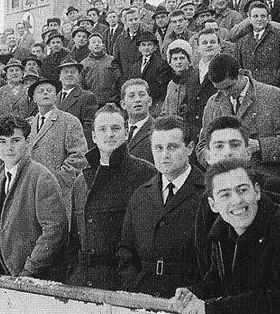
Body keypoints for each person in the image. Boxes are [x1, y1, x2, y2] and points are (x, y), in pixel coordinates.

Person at [170, 158, 280, 314]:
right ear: (213, 205)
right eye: (225, 194)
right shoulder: (220, 231)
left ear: (257, 192)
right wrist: (194, 293)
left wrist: (212, 310)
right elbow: (218, 280)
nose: (236, 200)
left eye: (242, 190)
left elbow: (278, 298)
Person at [194, 115, 280, 276]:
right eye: (219, 146)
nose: (227, 153)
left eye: (235, 145)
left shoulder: (274, 187)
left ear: (248, 153)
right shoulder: (208, 200)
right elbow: (204, 257)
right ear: (208, 156)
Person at [68, 104, 156, 289]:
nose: (109, 134)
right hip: (83, 281)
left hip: (120, 282)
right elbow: (75, 240)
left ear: (126, 133)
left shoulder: (145, 174)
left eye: (116, 128)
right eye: (102, 129)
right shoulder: (81, 181)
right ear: (93, 137)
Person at [117, 115, 205, 298]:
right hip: (145, 296)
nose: (165, 154)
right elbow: (126, 251)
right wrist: (133, 287)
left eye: (172, 147)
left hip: (188, 299)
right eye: (158, 148)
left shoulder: (207, 192)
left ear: (189, 148)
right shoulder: (141, 194)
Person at [197, 53, 280, 180]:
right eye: (219, 89)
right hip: (226, 183)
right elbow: (202, 146)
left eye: (229, 87)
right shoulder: (213, 103)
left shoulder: (274, 97)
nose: (225, 94)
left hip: (268, 185)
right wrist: (213, 155)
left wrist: (260, 146)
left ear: (239, 74)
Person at [0, 114, 68, 281]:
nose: (9, 147)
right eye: (2, 141)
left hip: (35, 277)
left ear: (27, 142)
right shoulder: (3, 175)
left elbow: (55, 230)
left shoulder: (41, 176)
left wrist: (29, 269)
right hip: (14, 274)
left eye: (16, 140)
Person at [27, 78, 87, 214]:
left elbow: (79, 155)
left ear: (56, 96)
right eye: (41, 91)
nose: (45, 94)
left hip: (58, 190)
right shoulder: (28, 124)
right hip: (32, 189)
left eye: (49, 91)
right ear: (34, 98)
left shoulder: (68, 121)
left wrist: (59, 179)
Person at [235, 1, 280, 92]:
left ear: (268, 18)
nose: (259, 19)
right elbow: (239, 68)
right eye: (255, 16)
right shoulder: (242, 42)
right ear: (249, 19)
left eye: (263, 16)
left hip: (275, 89)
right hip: (251, 91)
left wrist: (276, 79)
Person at [55, 58, 98, 149]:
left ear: (78, 76)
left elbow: (89, 129)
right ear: (60, 77)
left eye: (73, 72)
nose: (69, 74)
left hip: (76, 147)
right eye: (66, 72)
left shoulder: (87, 97)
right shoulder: (55, 99)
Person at [128, 30, 172, 116]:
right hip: (138, 103)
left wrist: (142, 96)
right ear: (139, 48)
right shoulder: (136, 65)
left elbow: (159, 87)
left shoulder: (161, 64)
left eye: (149, 45)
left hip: (154, 103)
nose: (146, 48)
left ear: (155, 47)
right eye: (143, 45)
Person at [80, 32, 120, 107]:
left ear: (103, 45)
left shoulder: (112, 61)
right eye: (93, 42)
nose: (97, 44)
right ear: (89, 46)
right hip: (92, 103)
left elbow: (118, 80)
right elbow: (81, 84)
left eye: (99, 42)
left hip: (111, 102)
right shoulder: (84, 64)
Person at [120, 78, 154, 164]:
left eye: (142, 95)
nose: (137, 99)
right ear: (123, 104)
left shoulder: (158, 129)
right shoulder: (118, 129)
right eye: (132, 96)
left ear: (149, 101)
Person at [162, 39, 194, 118]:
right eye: (175, 59)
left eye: (182, 58)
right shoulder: (171, 84)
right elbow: (165, 109)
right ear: (170, 62)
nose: (179, 62)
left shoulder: (195, 81)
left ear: (189, 61)